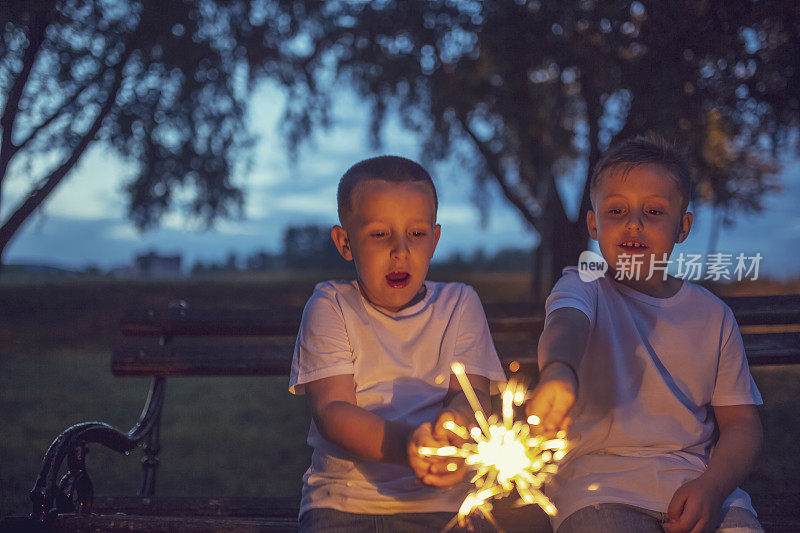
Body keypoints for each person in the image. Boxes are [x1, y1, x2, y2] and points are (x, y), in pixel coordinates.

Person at [526, 136, 764, 533]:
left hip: (696, 483)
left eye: (653, 211)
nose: (633, 223)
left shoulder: (713, 315)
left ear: (682, 227)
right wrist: (558, 371)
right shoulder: (584, 285)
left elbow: (741, 422)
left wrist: (712, 485)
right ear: (593, 225)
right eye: (616, 210)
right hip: (598, 488)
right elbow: (566, 323)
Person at [289, 155, 506, 532]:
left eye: (416, 234)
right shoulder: (331, 306)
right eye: (380, 234)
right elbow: (333, 411)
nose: (400, 251)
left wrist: (456, 425)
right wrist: (408, 446)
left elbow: (471, 397)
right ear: (345, 242)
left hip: (447, 505)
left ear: (434, 239)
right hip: (347, 503)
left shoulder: (459, 304)